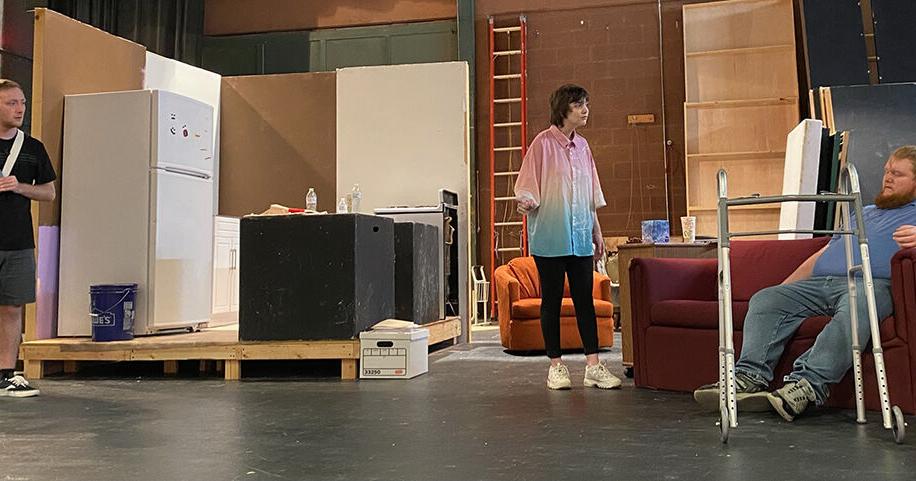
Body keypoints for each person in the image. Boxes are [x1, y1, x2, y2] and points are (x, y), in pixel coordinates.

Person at [694, 145, 916, 421]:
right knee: (767, 298)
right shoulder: (865, 212)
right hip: (823, 283)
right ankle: (749, 377)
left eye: (897, 174)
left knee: (859, 304)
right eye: (886, 171)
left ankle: (807, 385)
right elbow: (822, 254)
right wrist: (784, 289)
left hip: (870, 285)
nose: (888, 178)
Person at [514, 84, 621, 391]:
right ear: (563, 109)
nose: (585, 110)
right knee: (551, 300)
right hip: (550, 236)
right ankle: (555, 366)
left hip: (581, 237)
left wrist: (597, 232)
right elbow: (526, 186)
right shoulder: (542, 144)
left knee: (585, 300)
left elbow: (590, 195)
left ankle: (593, 366)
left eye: (586, 104)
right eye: (578, 105)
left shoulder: (584, 147)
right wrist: (526, 201)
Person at [0, 79, 56, 398]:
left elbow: (48, 193)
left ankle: (6, 373)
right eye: (11, 103)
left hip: (18, 241)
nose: (20, 109)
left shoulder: (33, 148)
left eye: (22, 102)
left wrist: (20, 187)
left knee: (12, 307)